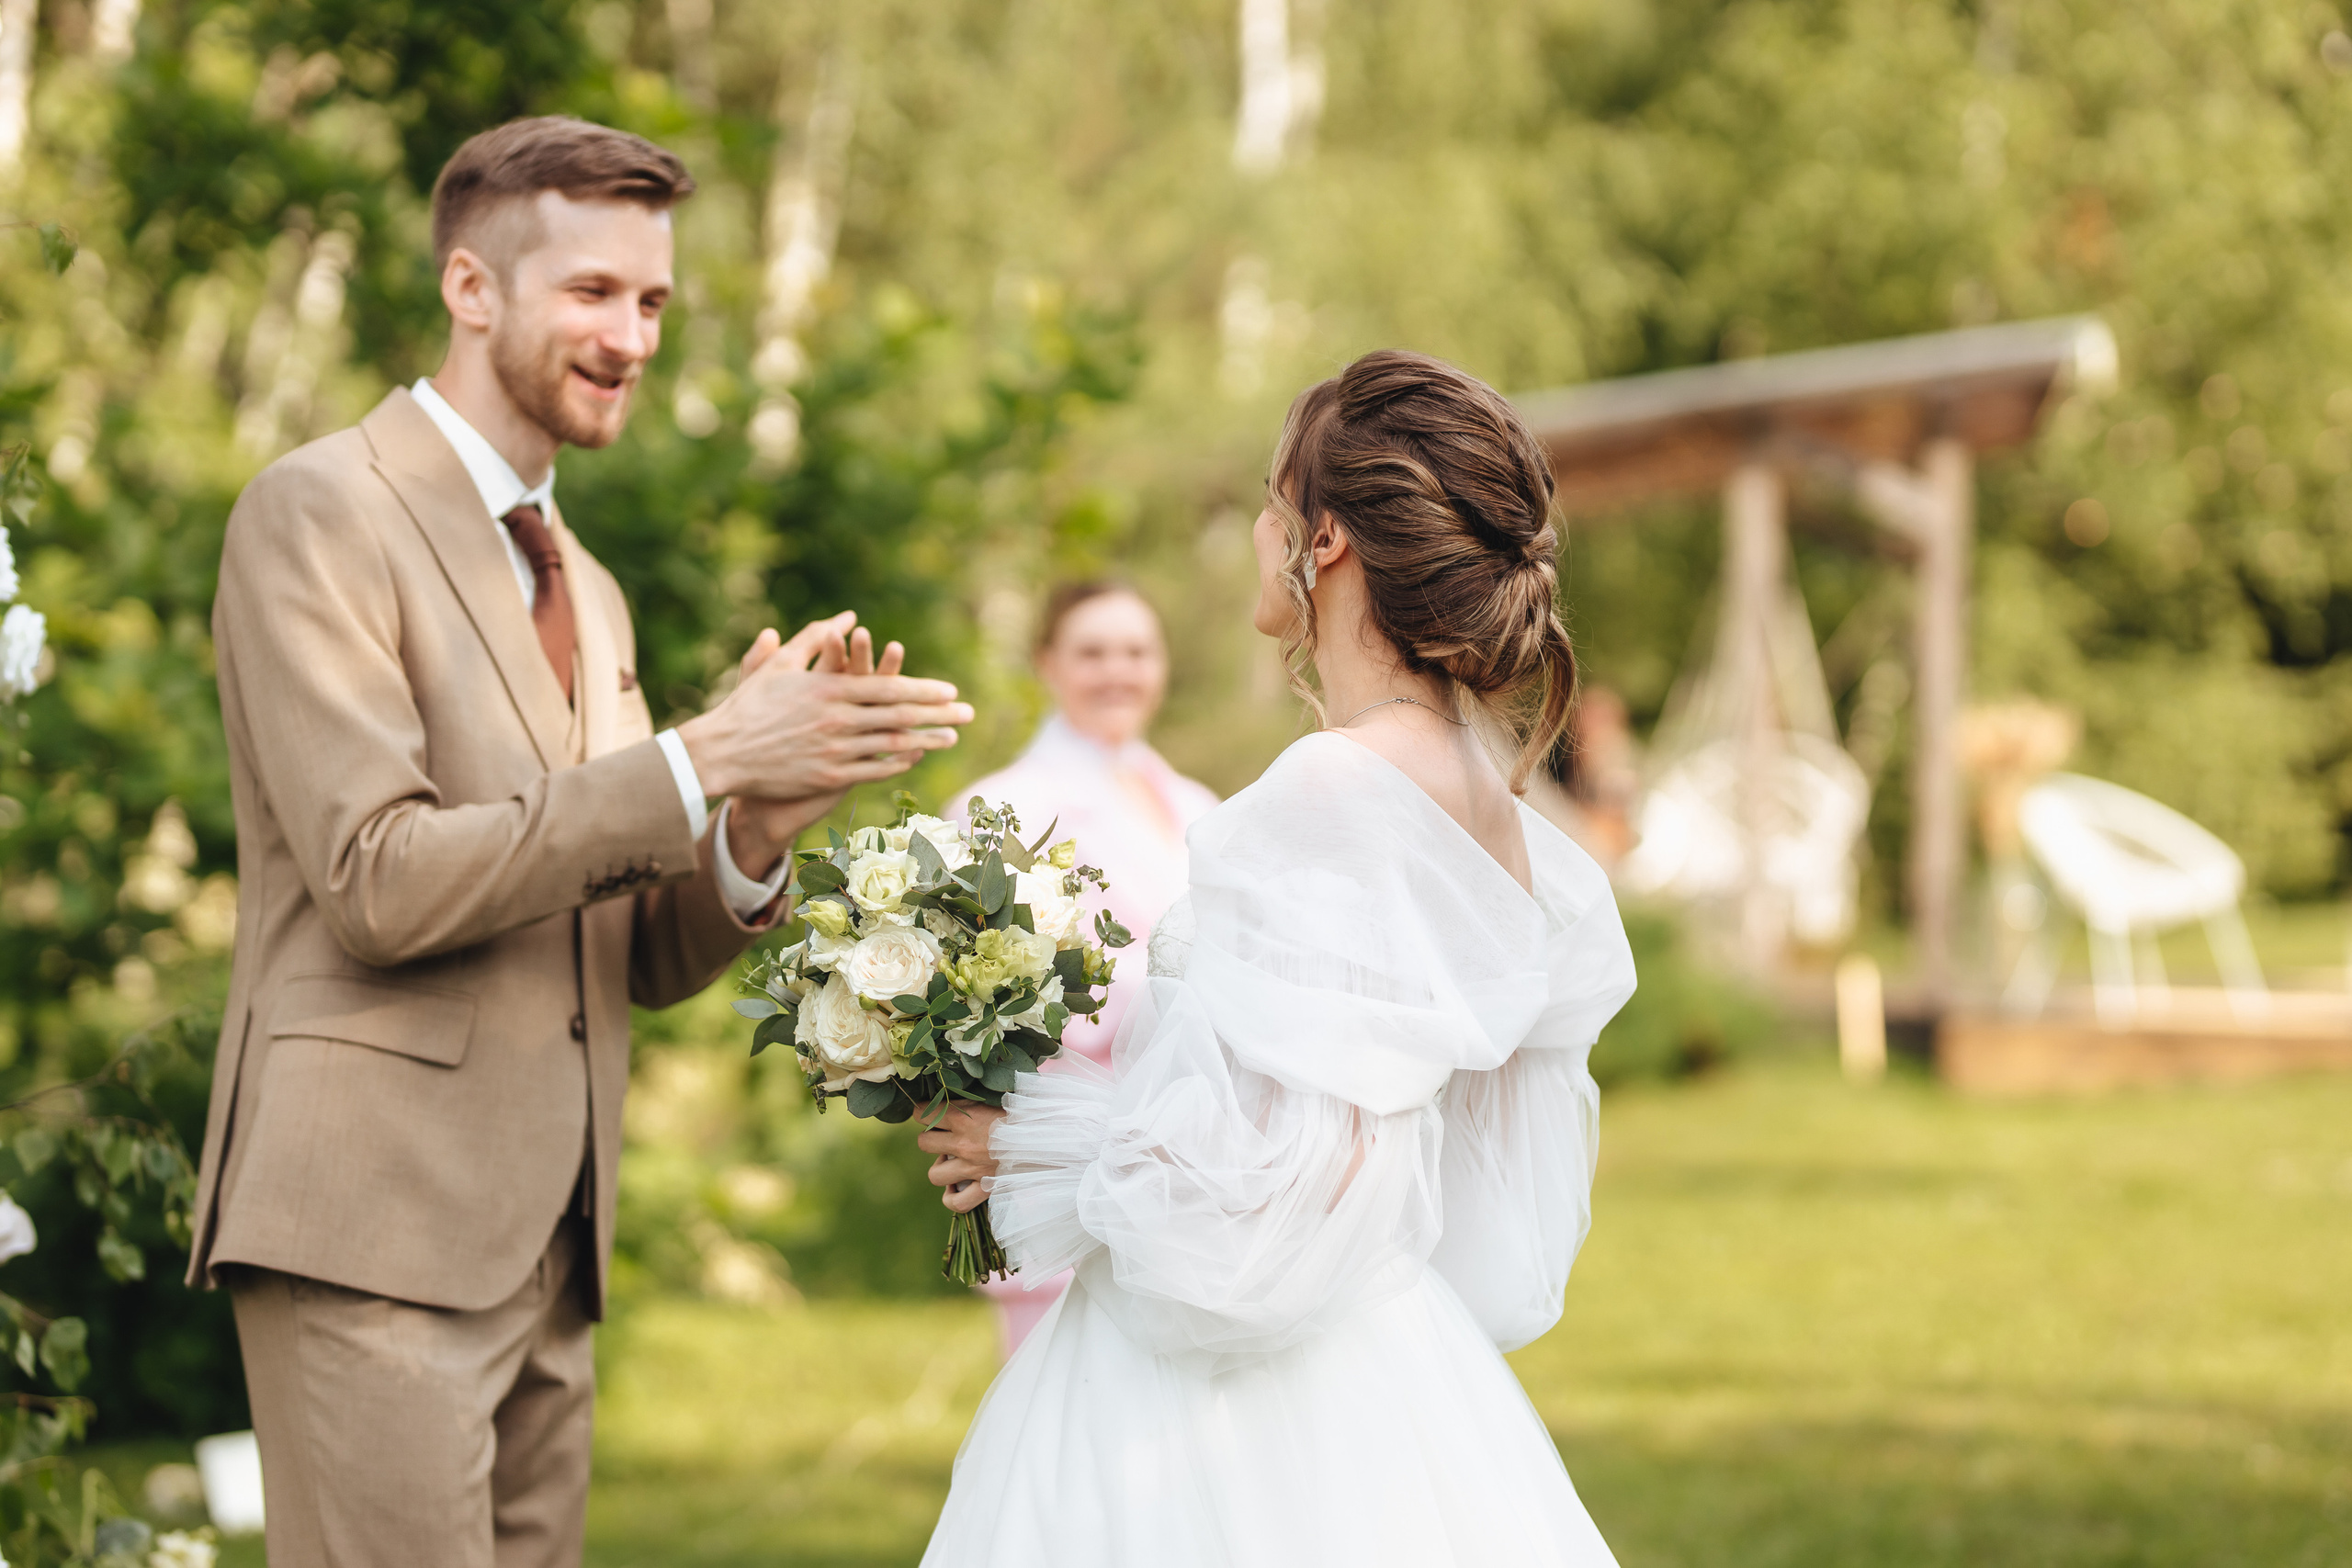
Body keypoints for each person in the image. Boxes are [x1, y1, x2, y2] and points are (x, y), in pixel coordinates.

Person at [185, 118, 972, 1568]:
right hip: (371, 1233)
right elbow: (378, 880)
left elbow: (615, 946)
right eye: (593, 293)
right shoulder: (318, 511)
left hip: (552, 1250)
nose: (632, 335)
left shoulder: (587, 585)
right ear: (473, 289)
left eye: (655, 302)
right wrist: (696, 753)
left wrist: (748, 821)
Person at [915, 350, 1637, 1565]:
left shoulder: (1333, 783)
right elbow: (1464, 1185)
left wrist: (1032, 1138)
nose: (1258, 531)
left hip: (1224, 1419)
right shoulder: (1485, 795)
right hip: (1399, 1371)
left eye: (1269, 499)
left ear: (1329, 539)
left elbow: (1265, 1205)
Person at [956, 581, 1219, 1352]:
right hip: (1069, 1148)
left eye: (1136, 651)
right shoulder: (998, 809)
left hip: (1195, 1151)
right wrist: (1182, 988)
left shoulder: (1198, 804)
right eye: (1092, 652)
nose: (1118, 672)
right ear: (1046, 662)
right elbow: (1000, 1000)